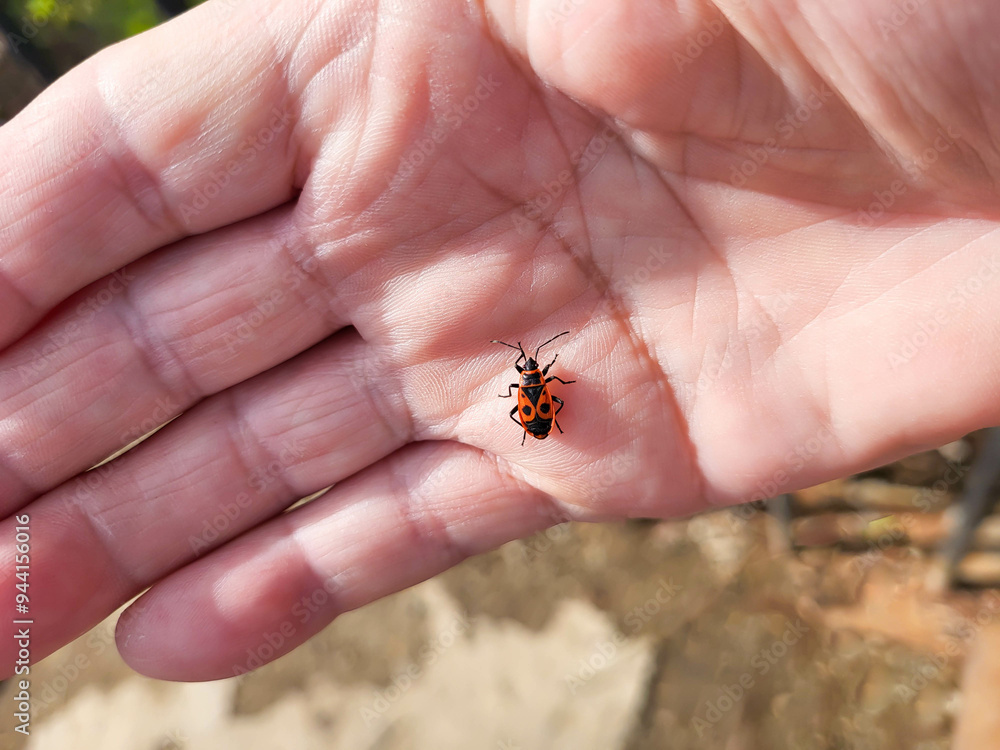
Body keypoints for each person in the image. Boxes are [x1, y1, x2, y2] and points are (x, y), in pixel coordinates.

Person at [2, 0, 998, 681]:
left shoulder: (538, 386)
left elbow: (543, 394)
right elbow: (542, 394)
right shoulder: (538, 386)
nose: (536, 380)